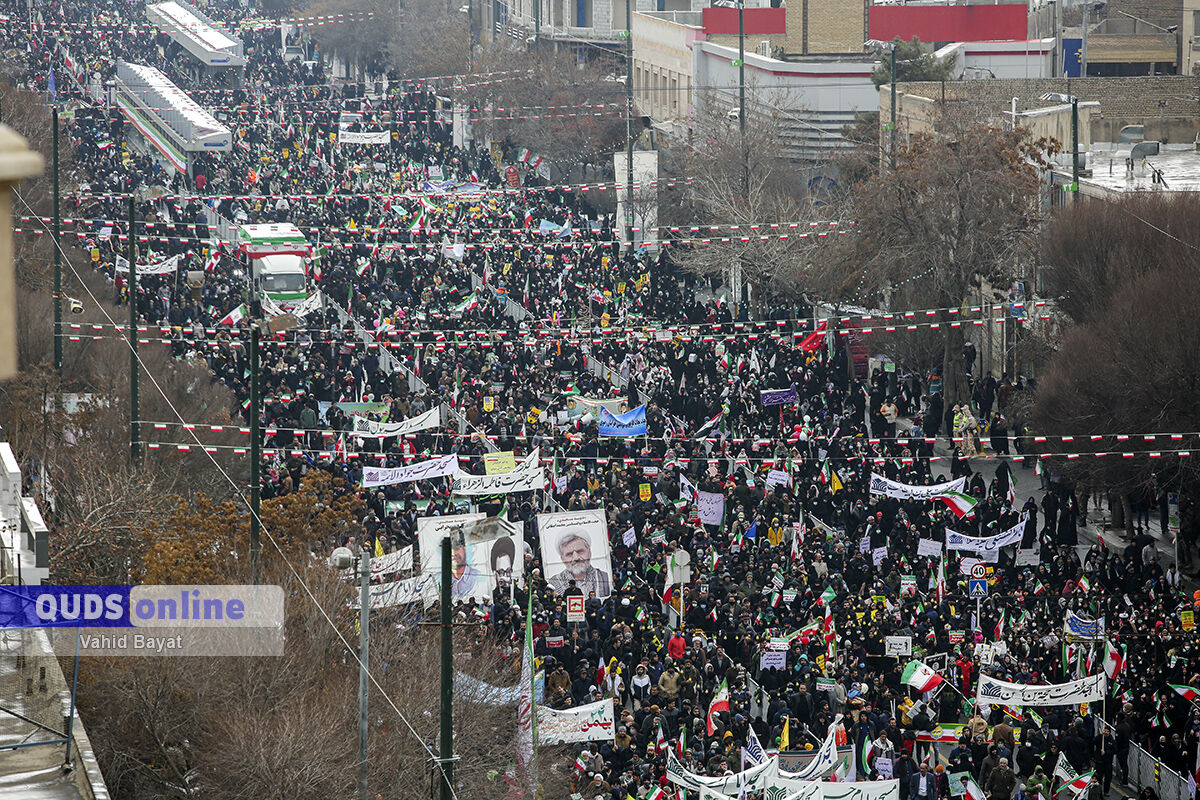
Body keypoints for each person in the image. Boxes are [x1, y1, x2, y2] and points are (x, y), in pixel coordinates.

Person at [548, 532, 612, 597]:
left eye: (580, 551)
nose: (576, 558)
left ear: (589, 552)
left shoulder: (603, 577)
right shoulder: (554, 582)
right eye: (569, 554)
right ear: (562, 558)